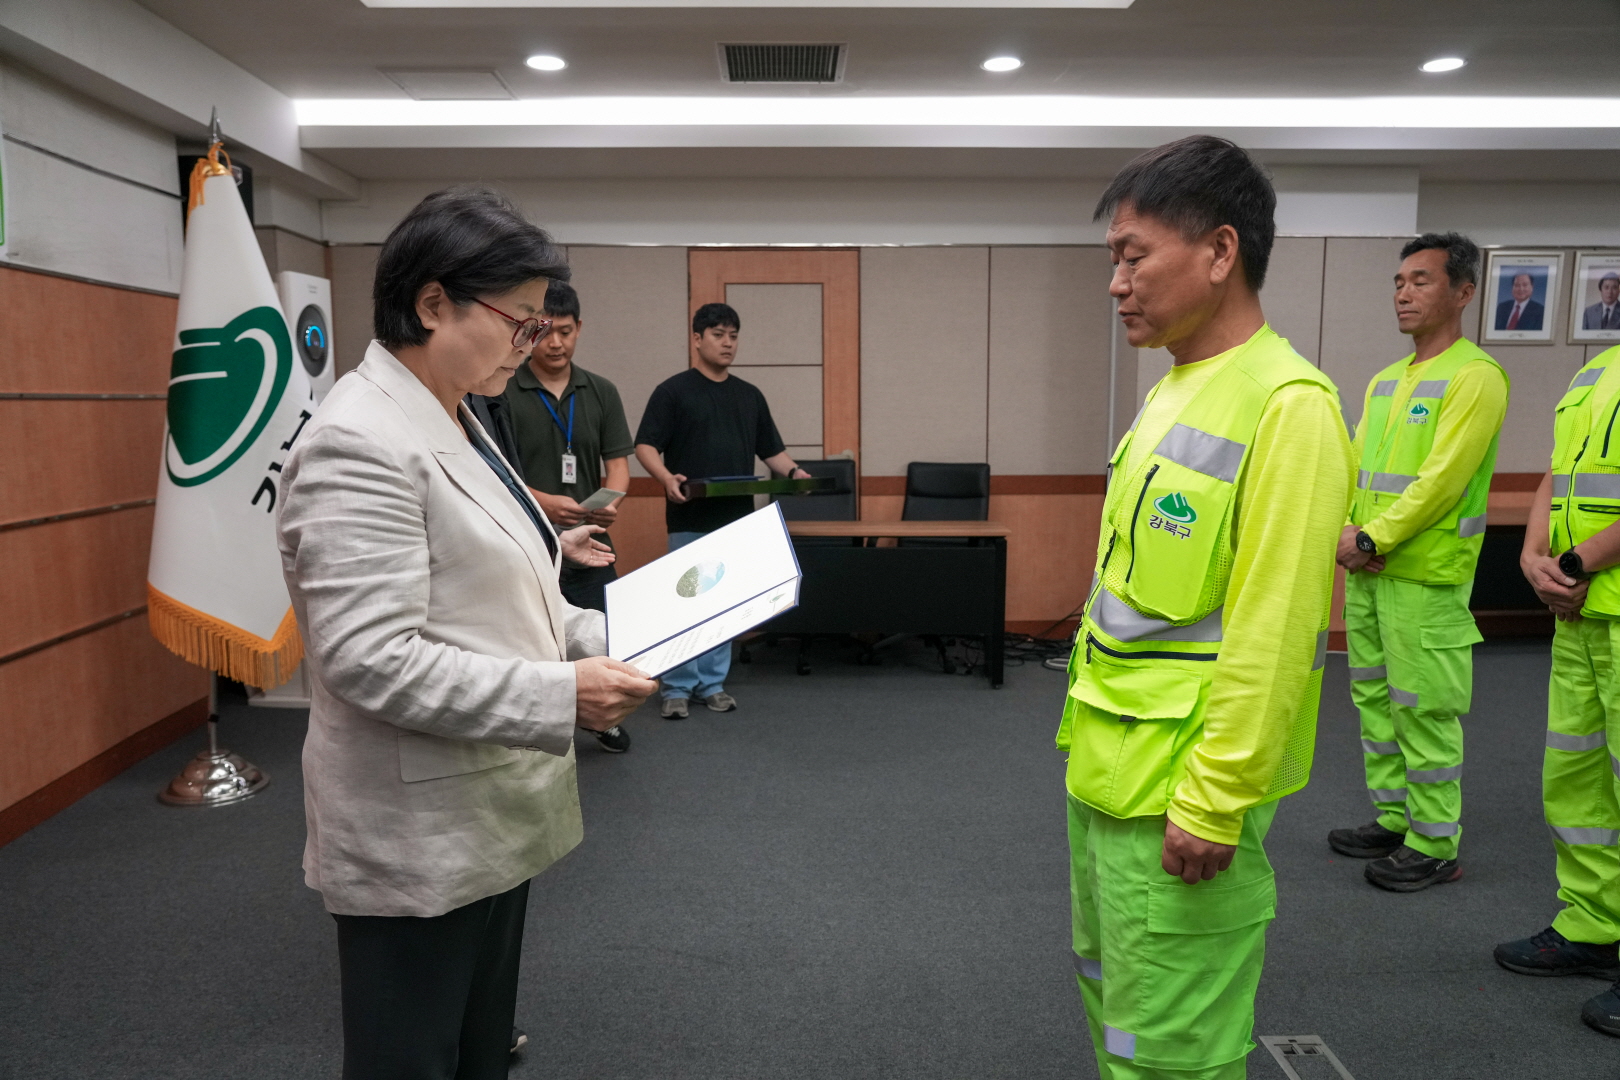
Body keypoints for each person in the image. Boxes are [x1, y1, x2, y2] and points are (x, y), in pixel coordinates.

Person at [276, 185, 657, 1079]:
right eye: (520, 322)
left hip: (487, 802)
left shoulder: (457, 412)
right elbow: (372, 660)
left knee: (476, 1046)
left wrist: (601, 635)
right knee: (412, 1056)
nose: (531, 344)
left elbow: (501, 583)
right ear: (431, 303)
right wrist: (564, 694)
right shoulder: (358, 440)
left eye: (541, 324)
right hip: (417, 825)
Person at [1057, 135, 1353, 1079]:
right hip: (1110, 771)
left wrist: (1217, 800)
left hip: (1182, 791)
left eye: (1133, 256)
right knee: (1122, 1019)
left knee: (1177, 1052)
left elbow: (1277, 632)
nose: (1117, 284)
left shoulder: (1290, 405)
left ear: (1221, 251)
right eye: (1115, 260)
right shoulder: (1175, 389)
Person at [1327, 233, 1509, 891]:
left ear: (1463, 292)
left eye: (1421, 280)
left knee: (1424, 709)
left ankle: (1433, 842)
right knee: (1375, 702)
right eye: (1399, 282)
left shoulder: (1475, 377)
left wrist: (1370, 540)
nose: (1404, 293)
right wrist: (1349, 532)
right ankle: (1395, 817)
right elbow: (1355, 471)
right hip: (1372, 574)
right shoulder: (1385, 381)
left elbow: (1441, 483)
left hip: (1424, 579)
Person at [1494, 340, 1620, 1038]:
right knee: (1577, 781)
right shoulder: (1598, 368)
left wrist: (1575, 562)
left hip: (1599, 592)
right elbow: (1559, 475)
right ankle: (1594, 927)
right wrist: (1532, 555)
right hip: (1583, 615)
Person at [633, 302, 810, 720]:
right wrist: (666, 478)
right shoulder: (673, 391)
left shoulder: (749, 396)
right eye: (718, 335)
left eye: (733, 335)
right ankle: (677, 687)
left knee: (724, 606)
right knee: (686, 604)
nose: (727, 343)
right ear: (697, 339)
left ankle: (712, 684)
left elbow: (772, 451)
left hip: (736, 518)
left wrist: (796, 473)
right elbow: (644, 446)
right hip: (689, 515)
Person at [500, 280, 636, 754]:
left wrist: (610, 501)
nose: (555, 343)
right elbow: (496, 472)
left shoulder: (601, 390)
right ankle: (542, 722)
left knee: (606, 633)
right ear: (531, 330)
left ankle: (603, 717)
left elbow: (618, 464)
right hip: (527, 541)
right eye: (546, 332)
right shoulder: (504, 389)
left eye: (566, 331)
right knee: (532, 638)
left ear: (579, 328)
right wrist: (545, 504)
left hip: (592, 540)